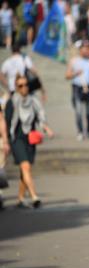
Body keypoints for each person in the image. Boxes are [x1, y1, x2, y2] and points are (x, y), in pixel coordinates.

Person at [5, 75, 54, 209]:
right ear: (16, 87)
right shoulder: (12, 102)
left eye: (26, 84)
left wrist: (46, 128)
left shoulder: (33, 100)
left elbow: (40, 116)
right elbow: (6, 122)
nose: (24, 87)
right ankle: (34, 197)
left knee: (25, 169)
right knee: (25, 166)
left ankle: (20, 199)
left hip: (30, 138)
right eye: (20, 85)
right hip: (16, 138)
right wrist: (5, 141)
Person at [65, 39, 89, 141]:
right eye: (84, 48)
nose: (86, 51)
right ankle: (80, 132)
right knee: (79, 111)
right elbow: (67, 75)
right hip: (77, 88)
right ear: (80, 50)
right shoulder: (74, 61)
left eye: (88, 48)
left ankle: (88, 132)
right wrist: (75, 73)